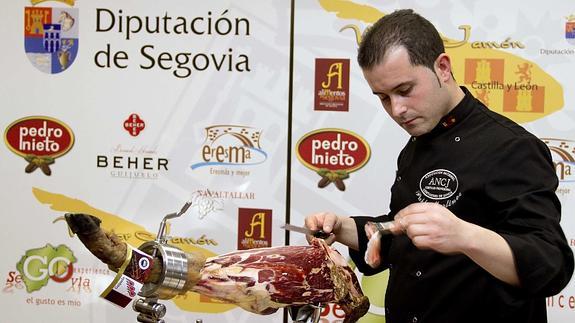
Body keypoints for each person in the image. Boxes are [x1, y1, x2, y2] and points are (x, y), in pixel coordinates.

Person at [304, 8, 574, 323]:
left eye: (405, 90)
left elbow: (550, 265)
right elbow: (407, 240)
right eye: (383, 97)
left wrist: (463, 235)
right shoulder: (416, 145)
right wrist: (345, 227)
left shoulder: (512, 147)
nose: (398, 109)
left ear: (442, 68)